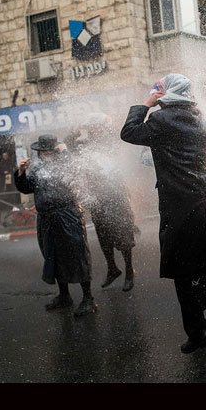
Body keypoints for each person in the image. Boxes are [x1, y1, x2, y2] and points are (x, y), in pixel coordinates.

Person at [120, 73, 206, 354]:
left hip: (182, 209)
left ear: (166, 94)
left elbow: (129, 133)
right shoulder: (200, 117)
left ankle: (198, 335)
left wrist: (147, 102)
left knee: (184, 276)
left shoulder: (162, 121)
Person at [14, 134, 96, 317]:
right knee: (53, 256)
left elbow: (75, 167)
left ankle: (88, 298)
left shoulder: (65, 163)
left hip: (67, 215)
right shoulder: (37, 169)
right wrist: (20, 172)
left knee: (77, 254)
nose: (45, 155)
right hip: (46, 219)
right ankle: (64, 295)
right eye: (42, 152)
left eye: (48, 151)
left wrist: (64, 151)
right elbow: (27, 188)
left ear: (55, 150)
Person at [67, 115, 137, 292]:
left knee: (123, 235)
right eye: (91, 128)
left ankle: (129, 271)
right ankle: (113, 268)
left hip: (116, 196)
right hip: (97, 198)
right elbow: (69, 145)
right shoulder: (85, 144)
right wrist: (74, 130)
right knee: (103, 236)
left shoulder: (110, 140)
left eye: (96, 128)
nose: (93, 131)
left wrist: (108, 122)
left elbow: (119, 135)